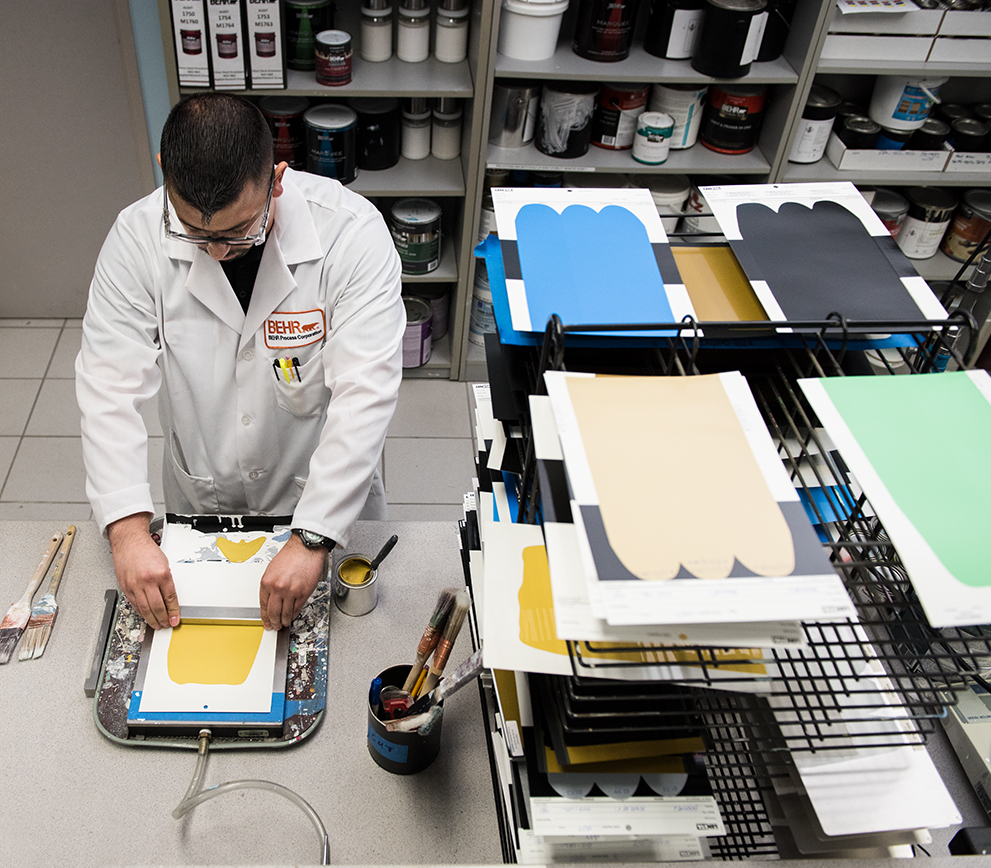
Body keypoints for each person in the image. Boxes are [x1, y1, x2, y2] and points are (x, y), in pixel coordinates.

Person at [76, 93, 405, 632]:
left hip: (316, 493)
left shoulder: (351, 235)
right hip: (202, 495)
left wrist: (314, 535)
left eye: (237, 231)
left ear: (276, 179)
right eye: (193, 231)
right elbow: (108, 387)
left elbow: (365, 393)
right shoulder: (135, 239)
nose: (215, 253)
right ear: (165, 173)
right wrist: (128, 532)